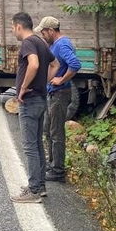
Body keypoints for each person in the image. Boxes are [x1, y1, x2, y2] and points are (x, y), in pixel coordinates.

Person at [10, 12, 54, 203]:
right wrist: (42, 84)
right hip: (41, 99)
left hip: (29, 101)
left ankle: (33, 191)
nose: (13, 31)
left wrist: (24, 88)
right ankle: (40, 185)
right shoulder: (42, 42)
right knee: (37, 144)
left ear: (19, 26)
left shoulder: (28, 42)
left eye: (13, 28)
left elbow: (34, 65)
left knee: (29, 147)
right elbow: (56, 65)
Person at [35, 16, 82, 183]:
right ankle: (52, 164)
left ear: (51, 30)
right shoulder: (55, 44)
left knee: (56, 133)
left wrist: (61, 79)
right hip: (53, 93)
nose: (42, 35)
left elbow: (75, 64)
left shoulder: (62, 45)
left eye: (43, 32)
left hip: (60, 93)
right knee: (48, 129)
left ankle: (58, 171)